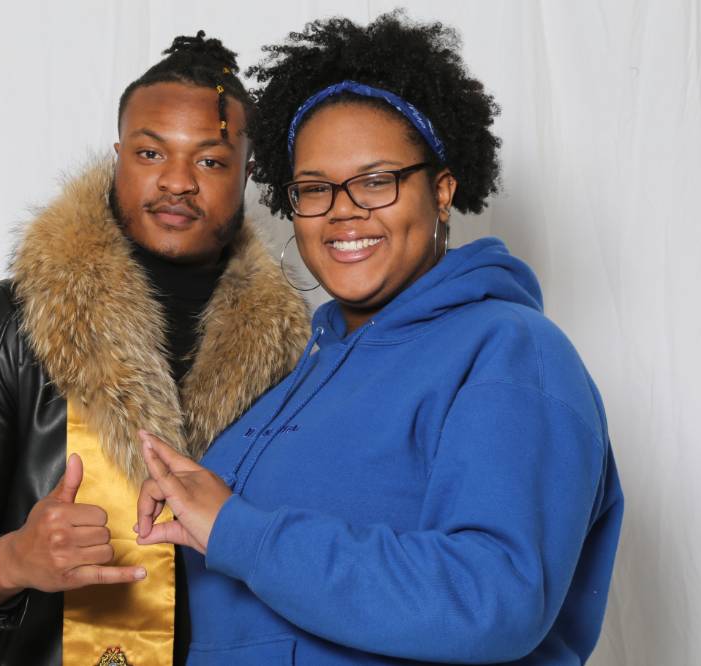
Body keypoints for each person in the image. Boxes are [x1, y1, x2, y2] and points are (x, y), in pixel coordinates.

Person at [133, 13, 624, 665]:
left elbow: (492, 598)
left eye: (374, 181)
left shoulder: (510, 352)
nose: (342, 210)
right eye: (315, 188)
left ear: (441, 191)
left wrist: (239, 530)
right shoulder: (297, 376)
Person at [0, 32, 310, 666]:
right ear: (119, 157)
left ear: (247, 171)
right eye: (150, 152)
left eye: (211, 161)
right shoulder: (12, 327)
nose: (177, 182)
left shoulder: (296, 353)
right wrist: (11, 561)